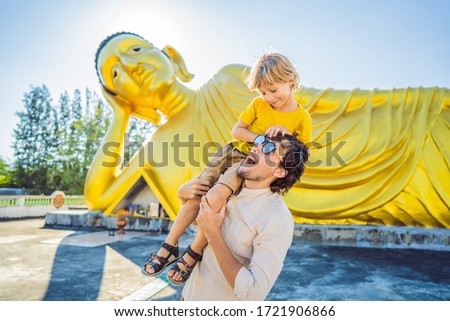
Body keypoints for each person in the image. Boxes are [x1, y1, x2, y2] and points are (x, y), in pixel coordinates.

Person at [142, 53, 312, 286]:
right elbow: (238, 132)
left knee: (215, 197)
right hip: (229, 151)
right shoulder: (258, 105)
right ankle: (169, 245)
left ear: (291, 80)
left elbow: (300, 154)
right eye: (263, 92)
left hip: (247, 162)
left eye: (273, 90)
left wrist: (285, 135)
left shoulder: (302, 117)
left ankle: (193, 252)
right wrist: (261, 138)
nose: (268, 97)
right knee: (196, 193)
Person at [182, 134, 308, 300]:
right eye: (260, 142)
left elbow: (253, 294)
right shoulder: (223, 190)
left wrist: (213, 233)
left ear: (279, 171)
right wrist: (183, 197)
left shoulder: (277, 218)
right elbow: (200, 225)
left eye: (269, 149)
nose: (256, 148)